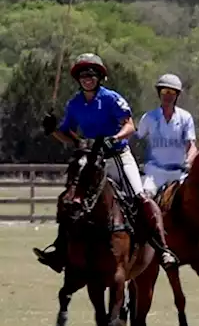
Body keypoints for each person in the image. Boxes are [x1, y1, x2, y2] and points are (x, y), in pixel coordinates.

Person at [33, 53, 179, 271]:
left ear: (99, 77)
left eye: (91, 75)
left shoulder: (111, 98)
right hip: (92, 162)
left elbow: (130, 126)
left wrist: (116, 137)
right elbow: (69, 137)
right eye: (83, 75)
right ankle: (60, 251)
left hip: (118, 157)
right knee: (70, 201)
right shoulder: (74, 104)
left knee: (140, 197)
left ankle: (163, 248)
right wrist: (52, 130)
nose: (87, 79)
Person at [136, 73, 199, 266]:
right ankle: (139, 245)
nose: (168, 95)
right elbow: (136, 138)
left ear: (177, 95)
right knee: (142, 200)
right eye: (165, 91)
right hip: (155, 171)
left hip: (179, 171)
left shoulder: (185, 118)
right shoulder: (149, 118)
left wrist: (191, 159)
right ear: (159, 93)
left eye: (172, 92)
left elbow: (191, 144)